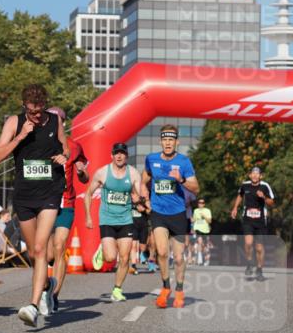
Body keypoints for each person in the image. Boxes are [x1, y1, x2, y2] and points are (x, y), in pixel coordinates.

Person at [0, 84, 69, 327]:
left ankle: (33, 306)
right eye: (31, 112)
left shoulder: (55, 121)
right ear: (24, 107)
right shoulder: (14, 123)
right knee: (35, 254)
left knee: (38, 247)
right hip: (24, 195)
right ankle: (48, 285)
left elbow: (65, 147)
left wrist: (63, 156)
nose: (36, 116)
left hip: (50, 191)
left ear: (45, 106)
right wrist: (21, 136)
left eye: (39, 111)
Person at [142, 125, 199, 308]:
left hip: (178, 214)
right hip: (158, 212)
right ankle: (166, 287)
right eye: (165, 140)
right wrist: (144, 196)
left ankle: (180, 290)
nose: (167, 143)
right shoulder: (151, 159)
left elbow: (196, 188)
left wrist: (180, 180)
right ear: (161, 141)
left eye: (171, 140)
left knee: (180, 257)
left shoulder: (184, 162)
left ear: (176, 142)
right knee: (162, 251)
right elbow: (144, 179)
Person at [85, 142, 142, 301]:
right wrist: (88, 216)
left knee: (124, 257)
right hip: (107, 219)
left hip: (126, 219)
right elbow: (88, 193)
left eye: (122, 153)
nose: (119, 156)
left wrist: (139, 199)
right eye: (116, 153)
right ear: (112, 155)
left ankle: (117, 289)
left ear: (127, 156)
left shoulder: (133, 174)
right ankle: (102, 250)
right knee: (110, 258)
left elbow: (140, 196)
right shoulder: (102, 173)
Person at [45, 107, 88, 313]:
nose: (55, 123)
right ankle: (46, 284)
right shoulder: (38, 143)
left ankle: (54, 295)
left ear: (64, 122)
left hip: (66, 202)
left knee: (60, 246)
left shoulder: (74, 146)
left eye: (58, 120)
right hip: (43, 202)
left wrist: (81, 173)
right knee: (43, 253)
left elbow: (84, 177)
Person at [230, 166, 275, 281]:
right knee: (248, 243)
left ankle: (259, 269)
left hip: (260, 221)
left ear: (261, 176)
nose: (255, 175)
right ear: (250, 175)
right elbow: (240, 195)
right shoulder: (245, 185)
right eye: (253, 173)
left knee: (259, 247)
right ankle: (250, 262)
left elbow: (272, 202)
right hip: (247, 219)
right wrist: (235, 208)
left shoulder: (265, 186)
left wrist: (264, 197)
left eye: (257, 174)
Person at [192, 198, 213, 266]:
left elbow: (210, 221)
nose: (200, 204)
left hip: (205, 230)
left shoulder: (207, 211)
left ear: (204, 204)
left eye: (202, 203)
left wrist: (204, 216)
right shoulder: (195, 210)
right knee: (199, 242)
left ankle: (206, 258)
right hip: (198, 229)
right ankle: (200, 260)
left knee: (205, 246)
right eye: (199, 203)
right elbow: (194, 220)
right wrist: (192, 228)